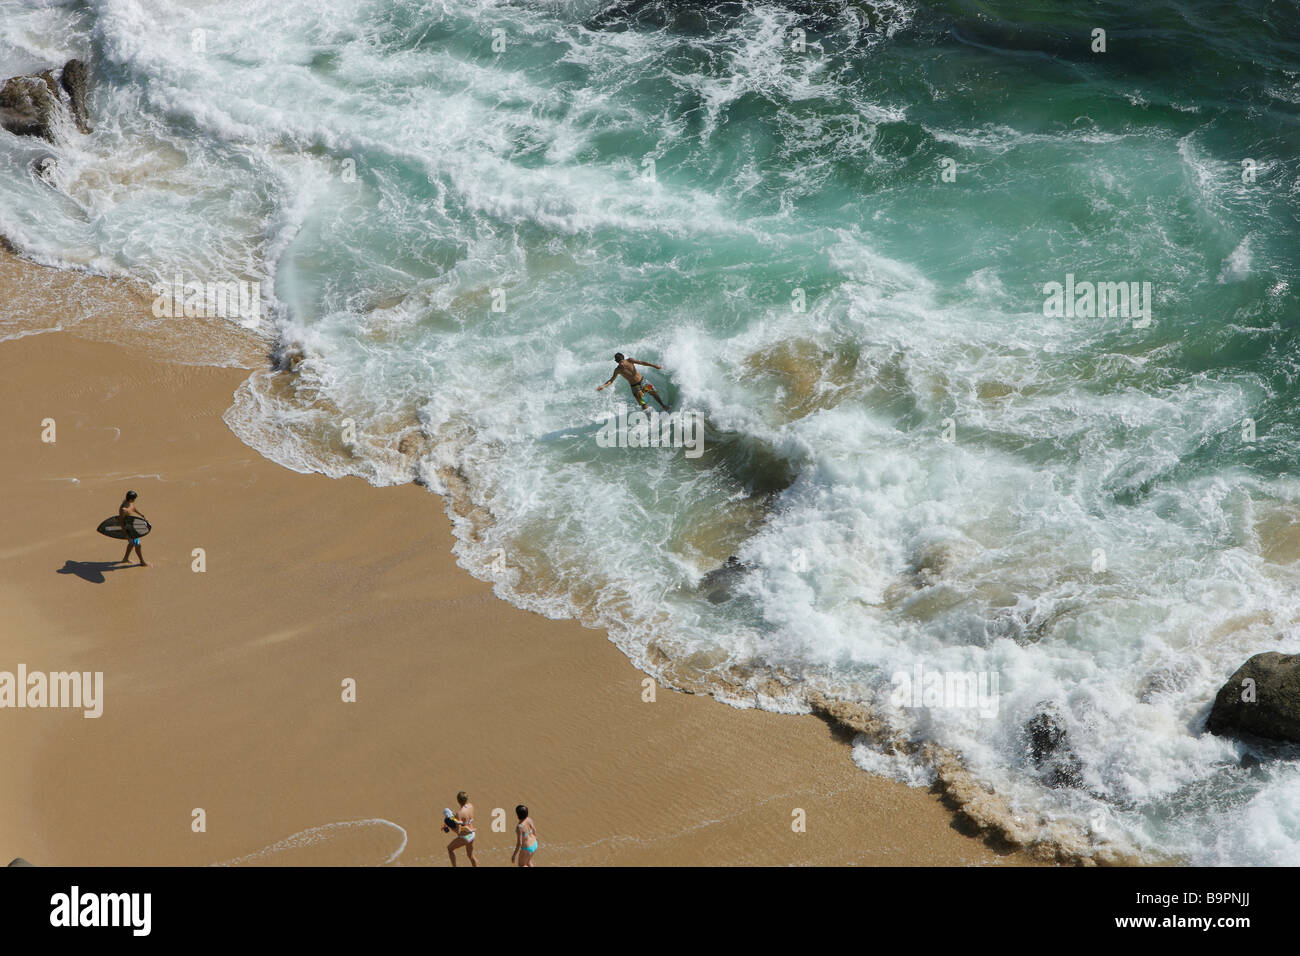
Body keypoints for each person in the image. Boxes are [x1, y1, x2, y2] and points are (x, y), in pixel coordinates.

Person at [597, 352, 669, 413]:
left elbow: (642, 363)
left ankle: (663, 406)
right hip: (635, 387)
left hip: (643, 381)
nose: (621, 364)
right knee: (643, 403)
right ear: (616, 362)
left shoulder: (630, 360)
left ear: (623, 358)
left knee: (654, 393)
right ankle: (649, 418)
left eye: (622, 361)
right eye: (619, 362)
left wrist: (654, 366)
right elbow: (611, 380)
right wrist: (603, 386)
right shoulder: (617, 370)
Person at [445, 791, 477, 867]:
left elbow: (458, 831)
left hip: (465, 837)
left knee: (450, 849)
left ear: (458, 800)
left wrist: (450, 826)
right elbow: (466, 821)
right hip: (472, 835)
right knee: (471, 856)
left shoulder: (459, 813)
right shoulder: (471, 806)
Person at [117, 490, 148, 567]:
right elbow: (121, 522)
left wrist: (140, 514)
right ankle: (142, 561)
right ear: (130, 499)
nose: (134, 500)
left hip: (132, 527)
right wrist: (126, 534)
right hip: (129, 530)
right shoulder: (123, 509)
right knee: (138, 545)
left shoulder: (129, 502)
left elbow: (133, 508)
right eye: (134, 499)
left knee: (131, 544)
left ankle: (125, 559)